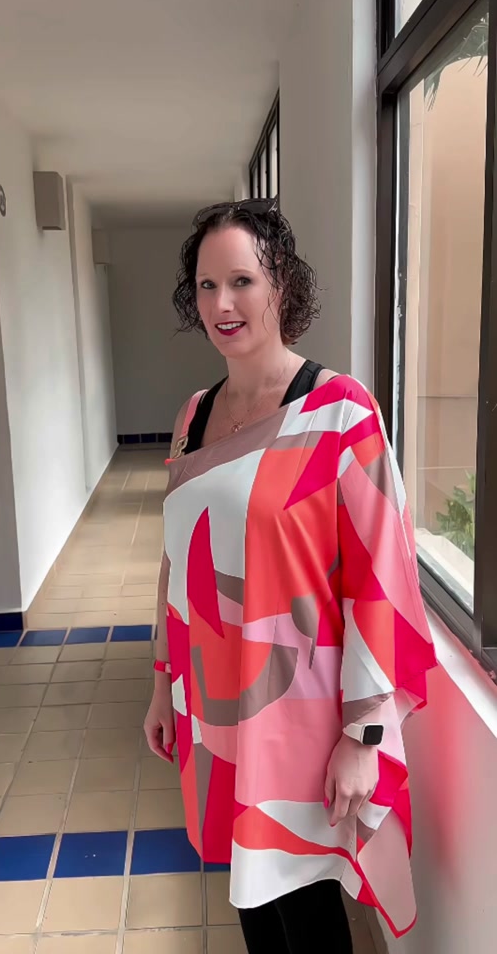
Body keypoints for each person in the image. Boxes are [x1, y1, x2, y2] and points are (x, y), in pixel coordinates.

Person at [144, 198, 437, 953]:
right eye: (207, 286)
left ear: (282, 285)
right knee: (250, 899)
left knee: (304, 912)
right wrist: (161, 683)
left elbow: (381, 576)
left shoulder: (341, 413)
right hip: (214, 702)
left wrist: (364, 734)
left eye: (242, 281)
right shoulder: (194, 414)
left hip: (301, 713)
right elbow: (177, 557)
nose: (223, 304)